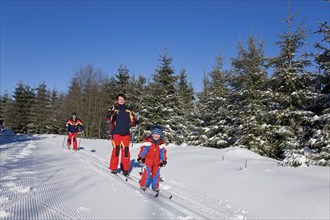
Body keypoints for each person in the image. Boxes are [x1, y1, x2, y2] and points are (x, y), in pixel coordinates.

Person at [106, 93, 136, 176]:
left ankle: (125, 169)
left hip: (126, 133)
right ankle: (113, 168)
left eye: (122, 99)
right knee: (116, 150)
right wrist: (110, 113)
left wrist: (134, 123)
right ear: (117, 100)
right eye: (119, 99)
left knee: (126, 151)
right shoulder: (114, 109)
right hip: (116, 132)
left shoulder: (128, 110)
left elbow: (133, 120)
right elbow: (108, 119)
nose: (121, 100)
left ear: (124, 100)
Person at [137, 125, 167, 192]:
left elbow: (163, 153)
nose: (157, 136)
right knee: (146, 173)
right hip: (148, 161)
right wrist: (141, 157)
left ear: (160, 135)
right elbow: (144, 150)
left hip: (157, 162)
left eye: (158, 134)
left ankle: (155, 186)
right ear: (152, 134)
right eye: (155, 134)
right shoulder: (148, 143)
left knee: (156, 175)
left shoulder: (161, 145)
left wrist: (163, 160)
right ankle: (143, 184)